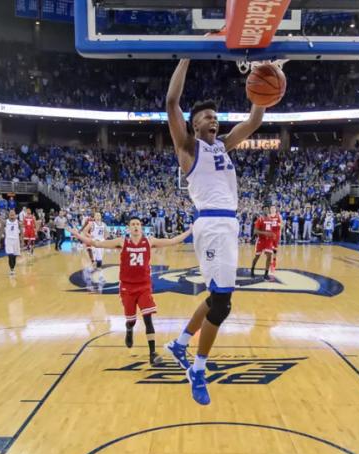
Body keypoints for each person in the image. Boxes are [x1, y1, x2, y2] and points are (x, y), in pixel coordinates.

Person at [162, 59, 267, 405]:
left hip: (228, 225)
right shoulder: (189, 149)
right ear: (193, 126)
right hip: (210, 223)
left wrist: (262, 80)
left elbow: (253, 121)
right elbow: (171, 103)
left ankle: (180, 343)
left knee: (215, 298)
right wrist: (187, 55)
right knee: (221, 305)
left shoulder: (223, 145)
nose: (213, 119)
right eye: (205, 117)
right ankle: (198, 368)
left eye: (214, 116)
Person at [70, 218, 192, 365]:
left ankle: (152, 353)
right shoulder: (122, 242)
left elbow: (173, 241)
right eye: (133, 224)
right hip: (127, 287)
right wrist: (76, 233)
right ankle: (129, 330)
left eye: (138, 224)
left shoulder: (149, 241)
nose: (135, 226)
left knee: (148, 318)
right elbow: (96, 243)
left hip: (144, 286)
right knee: (131, 320)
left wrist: (190, 231)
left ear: (141, 227)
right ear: (128, 228)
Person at [250, 206, 277, 279]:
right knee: (257, 257)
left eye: (267, 209)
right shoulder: (260, 219)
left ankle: (266, 273)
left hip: (268, 241)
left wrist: (273, 235)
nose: (266, 210)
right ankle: (252, 269)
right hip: (261, 241)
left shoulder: (271, 220)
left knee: (269, 256)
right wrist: (265, 233)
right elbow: (255, 231)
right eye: (264, 209)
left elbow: (272, 230)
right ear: (262, 210)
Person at [5, 209, 21, 275]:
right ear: (9, 215)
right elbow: (0, 231)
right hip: (8, 240)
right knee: (10, 255)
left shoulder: (18, 222)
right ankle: (11, 269)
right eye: (10, 214)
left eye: (13, 214)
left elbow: (22, 232)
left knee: (14, 256)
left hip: (16, 241)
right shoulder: (5, 222)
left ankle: (13, 268)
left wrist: (22, 241)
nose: (12, 215)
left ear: (15, 215)